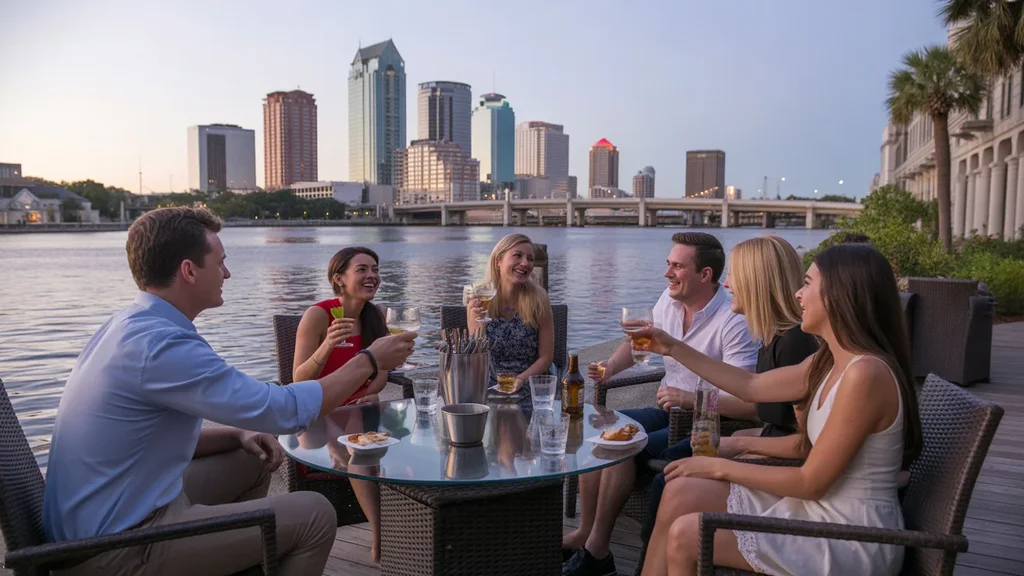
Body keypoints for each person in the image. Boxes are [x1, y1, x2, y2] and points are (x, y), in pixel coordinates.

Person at [42, 207, 417, 576]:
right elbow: (284, 412)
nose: (227, 272)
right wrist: (368, 360)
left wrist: (238, 432)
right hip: (116, 548)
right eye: (220, 262)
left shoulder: (130, 325)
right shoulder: (160, 345)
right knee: (315, 515)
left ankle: (231, 558)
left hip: (112, 513)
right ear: (189, 271)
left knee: (251, 455)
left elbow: (145, 440)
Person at [636, 243, 920, 576]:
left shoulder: (865, 374)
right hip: (818, 507)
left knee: (687, 534)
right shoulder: (827, 359)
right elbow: (750, 387)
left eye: (808, 284)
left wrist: (716, 467)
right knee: (681, 490)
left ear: (840, 295)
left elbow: (809, 481)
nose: (798, 294)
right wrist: (670, 346)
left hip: (851, 532)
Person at [562, 232, 759, 576]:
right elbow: (639, 341)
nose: (667, 272)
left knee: (623, 443)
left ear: (705, 275)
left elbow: (747, 395)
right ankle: (585, 534)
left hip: (711, 421)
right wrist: (610, 368)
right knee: (600, 428)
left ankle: (598, 553)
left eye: (677, 266)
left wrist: (688, 398)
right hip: (666, 408)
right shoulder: (669, 300)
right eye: (668, 263)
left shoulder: (733, 319)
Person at [638, 235, 819, 543]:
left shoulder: (795, 344)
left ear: (756, 282)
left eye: (734, 275)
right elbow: (752, 390)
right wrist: (670, 347)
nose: (726, 284)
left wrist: (735, 448)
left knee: (668, 479)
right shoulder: (772, 338)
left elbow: (803, 442)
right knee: (666, 468)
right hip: (758, 450)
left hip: (778, 471)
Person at [292, 246, 390, 562]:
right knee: (359, 451)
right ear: (339, 279)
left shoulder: (374, 317)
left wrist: (372, 391)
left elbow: (382, 373)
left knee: (376, 439)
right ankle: (380, 537)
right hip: (316, 408)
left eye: (375, 269)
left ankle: (403, 525)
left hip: (356, 410)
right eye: (362, 269)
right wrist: (328, 345)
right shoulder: (319, 315)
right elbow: (298, 380)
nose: (371, 275)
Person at [467, 233, 554, 394]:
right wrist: (478, 324)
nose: (525, 263)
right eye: (517, 256)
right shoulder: (479, 298)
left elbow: (546, 357)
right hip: (488, 383)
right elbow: (477, 356)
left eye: (530, 259)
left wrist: (521, 379)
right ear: (498, 261)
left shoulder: (539, 299)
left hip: (529, 381)